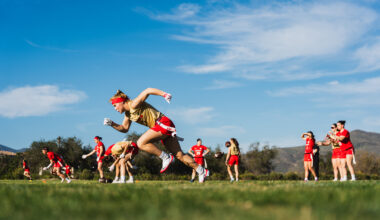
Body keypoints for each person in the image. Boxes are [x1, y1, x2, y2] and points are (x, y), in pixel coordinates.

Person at [104, 88, 209, 182]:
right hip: (160, 126)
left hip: (162, 123)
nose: (115, 108)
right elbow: (124, 128)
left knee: (141, 142)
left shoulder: (134, 104)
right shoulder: (128, 114)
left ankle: (165, 157)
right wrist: (112, 124)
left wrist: (164, 94)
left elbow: (147, 90)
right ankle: (201, 170)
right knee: (180, 155)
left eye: (115, 105)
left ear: (121, 102)